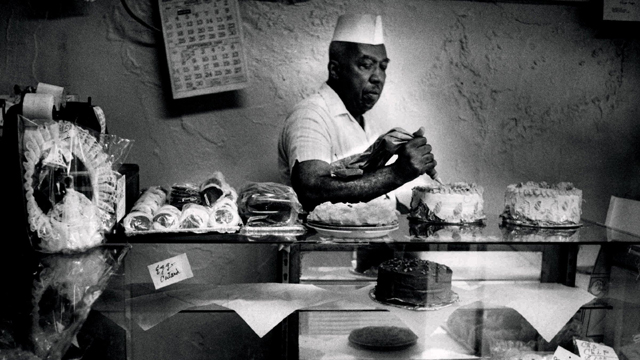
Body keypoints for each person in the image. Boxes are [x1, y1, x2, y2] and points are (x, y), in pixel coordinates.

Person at [277, 14, 437, 211]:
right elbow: (311, 191)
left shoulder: (366, 125)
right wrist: (398, 172)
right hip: (321, 242)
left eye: (383, 67)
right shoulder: (311, 115)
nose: (378, 77)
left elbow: (376, 198)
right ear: (335, 70)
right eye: (366, 65)